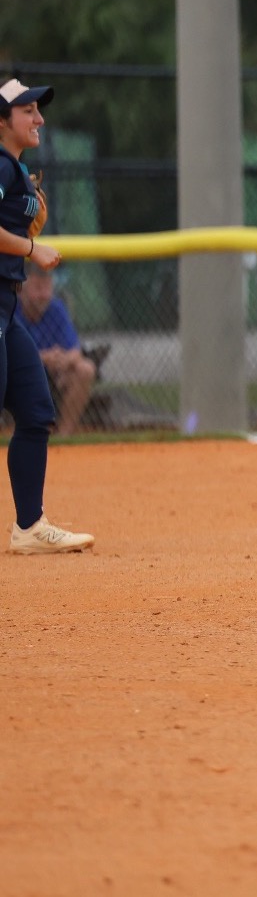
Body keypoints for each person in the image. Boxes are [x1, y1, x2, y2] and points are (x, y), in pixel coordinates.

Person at [0, 78, 92, 554]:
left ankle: (29, 527)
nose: (39, 119)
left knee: (35, 411)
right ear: (2, 121)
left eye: (38, 110)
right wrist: (32, 246)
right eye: (27, 110)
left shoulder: (14, 170)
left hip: (7, 306)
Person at [20, 269, 94, 436]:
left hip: (53, 375)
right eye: (38, 287)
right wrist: (42, 358)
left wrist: (64, 359)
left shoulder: (56, 308)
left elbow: (75, 351)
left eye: (47, 287)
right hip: (19, 375)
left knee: (85, 369)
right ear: (22, 288)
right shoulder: (9, 310)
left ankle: (63, 436)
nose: (44, 294)